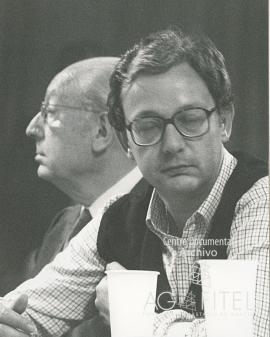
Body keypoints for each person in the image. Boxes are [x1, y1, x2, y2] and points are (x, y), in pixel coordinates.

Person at [1, 29, 268, 337]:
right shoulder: (121, 216)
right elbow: (24, 311)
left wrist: (132, 318)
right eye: (148, 126)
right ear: (126, 141)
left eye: (190, 119)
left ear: (224, 122)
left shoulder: (259, 201)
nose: (172, 145)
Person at [2, 57, 142, 336]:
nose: (32, 128)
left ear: (101, 131)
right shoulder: (64, 225)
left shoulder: (167, 220)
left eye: (50, 112)